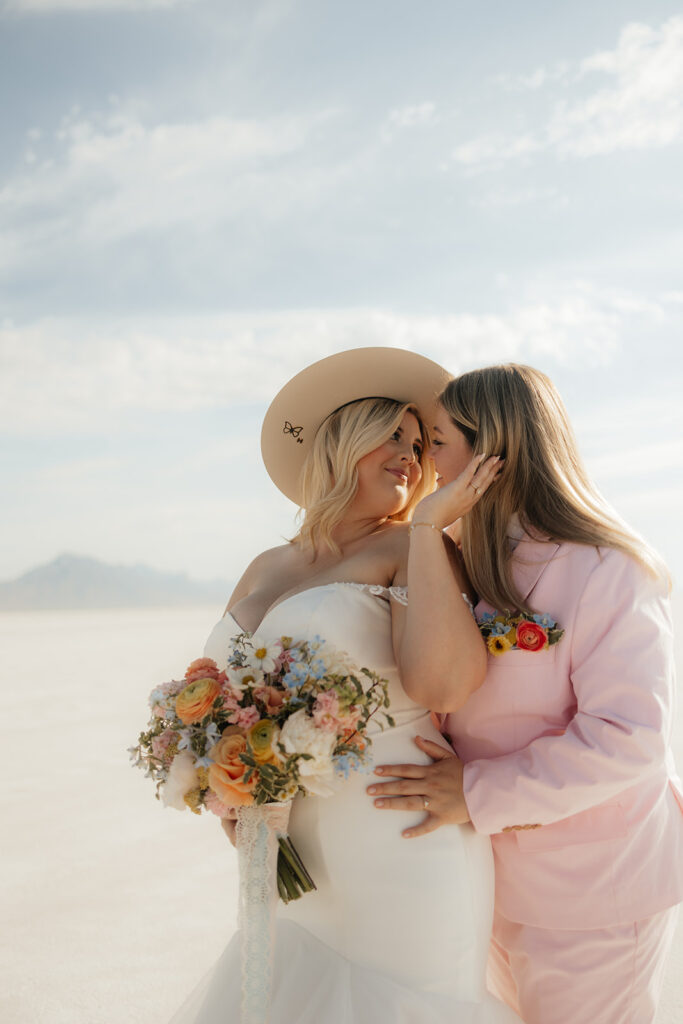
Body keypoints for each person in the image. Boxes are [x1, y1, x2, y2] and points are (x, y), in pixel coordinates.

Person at [169, 347, 520, 1024]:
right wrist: (233, 784)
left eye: (419, 445)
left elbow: (442, 685)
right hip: (289, 848)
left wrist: (424, 527)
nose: (411, 458)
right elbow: (221, 691)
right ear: (341, 441)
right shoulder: (266, 564)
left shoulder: (411, 546)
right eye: (390, 435)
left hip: (399, 832)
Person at [368, 363, 683, 1024]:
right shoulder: (459, 557)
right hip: (484, 885)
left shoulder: (604, 566)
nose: (425, 462)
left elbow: (630, 741)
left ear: (493, 455)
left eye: (437, 442)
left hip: (591, 889)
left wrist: (474, 794)